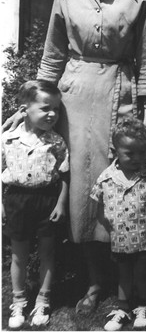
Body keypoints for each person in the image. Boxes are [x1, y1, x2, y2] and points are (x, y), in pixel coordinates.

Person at [2, 0, 146, 313]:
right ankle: (92, 282)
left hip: (120, 96)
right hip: (74, 99)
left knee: (116, 189)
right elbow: (52, 58)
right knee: (79, 192)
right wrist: (31, 107)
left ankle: (122, 283)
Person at [90, 116, 146, 330]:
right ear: (115, 150)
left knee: (142, 274)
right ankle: (122, 308)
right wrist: (104, 224)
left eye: (142, 153)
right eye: (130, 153)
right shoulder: (106, 177)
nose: (137, 158)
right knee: (124, 275)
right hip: (120, 238)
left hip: (145, 237)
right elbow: (99, 204)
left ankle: (143, 306)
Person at [2, 80, 69, 329]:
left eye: (57, 109)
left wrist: (61, 204)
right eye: (45, 108)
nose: (52, 114)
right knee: (18, 255)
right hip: (16, 201)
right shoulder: (8, 139)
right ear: (24, 109)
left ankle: (43, 299)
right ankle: (18, 301)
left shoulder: (57, 141)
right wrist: (1, 205)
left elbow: (64, 175)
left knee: (47, 253)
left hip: (47, 200)